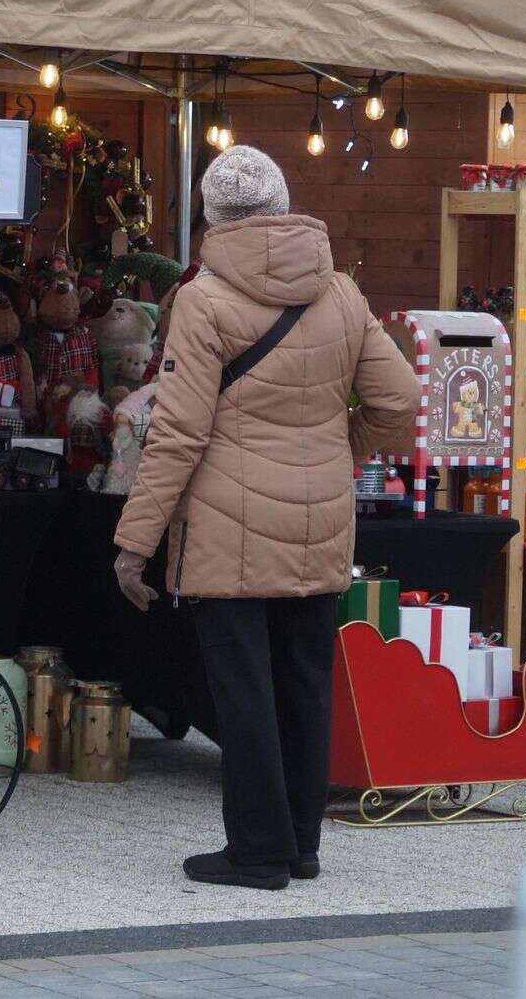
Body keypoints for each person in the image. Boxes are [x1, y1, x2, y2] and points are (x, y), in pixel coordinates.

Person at [110, 146, 415, 890]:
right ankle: (301, 846)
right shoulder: (340, 292)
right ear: (283, 204)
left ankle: (257, 852)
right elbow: (400, 398)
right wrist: (338, 446)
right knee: (305, 685)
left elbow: (177, 434)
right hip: (319, 521)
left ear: (213, 218)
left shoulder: (204, 301)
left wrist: (133, 544)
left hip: (226, 526)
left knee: (243, 693)